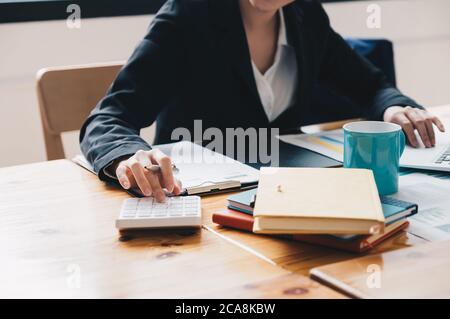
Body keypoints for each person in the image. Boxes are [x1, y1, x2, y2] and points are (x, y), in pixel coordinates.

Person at [80, 0, 445, 202]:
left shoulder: (306, 17)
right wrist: (130, 156)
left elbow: (370, 85)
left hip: (289, 197)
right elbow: (109, 117)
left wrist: (392, 107)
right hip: (199, 202)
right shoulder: (188, 17)